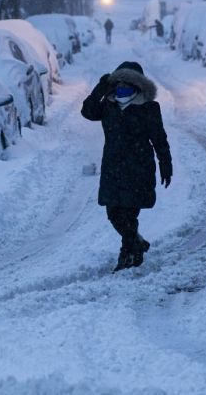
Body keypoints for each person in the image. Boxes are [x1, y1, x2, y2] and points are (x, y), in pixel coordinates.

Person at [81, 62, 172, 272]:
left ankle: (128, 254)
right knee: (113, 213)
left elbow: (159, 138)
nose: (122, 89)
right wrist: (99, 89)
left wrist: (165, 163)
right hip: (113, 167)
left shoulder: (149, 108)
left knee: (129, 214)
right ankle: (136, 243)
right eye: (118, 84)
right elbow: (87, 111)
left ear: (137, 86)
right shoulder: (108, 105)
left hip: (138, 167)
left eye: (127, 85)